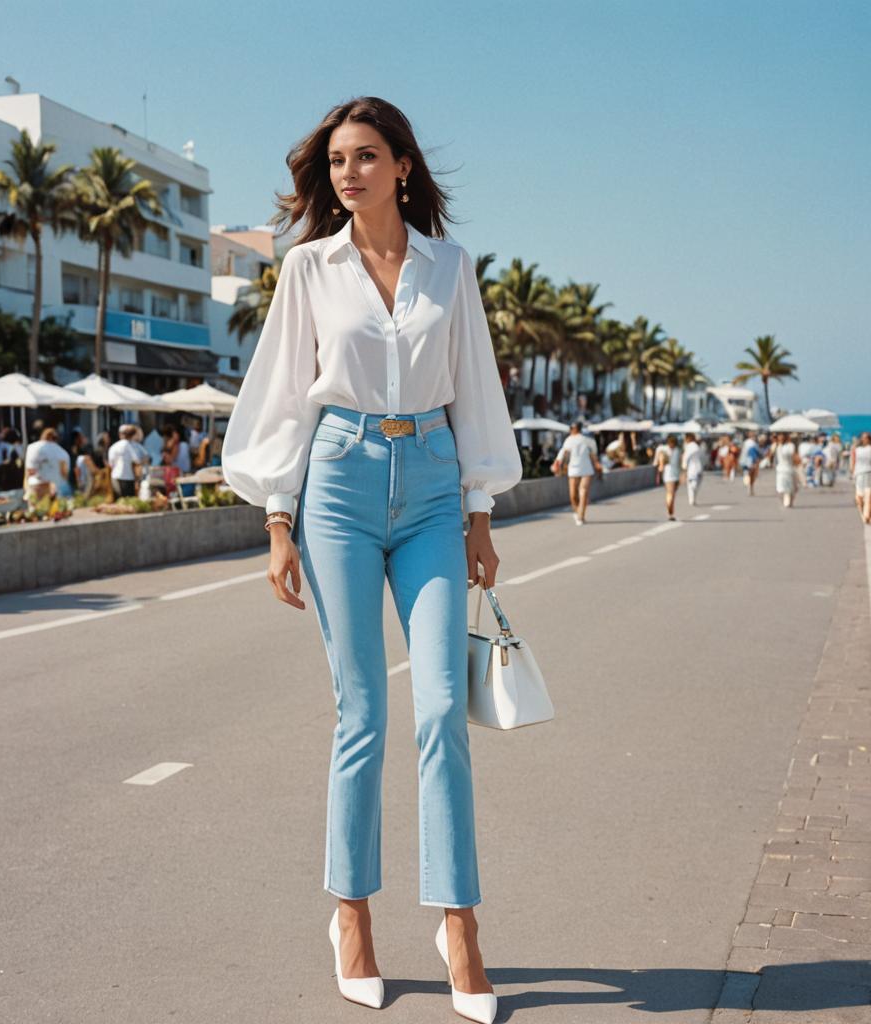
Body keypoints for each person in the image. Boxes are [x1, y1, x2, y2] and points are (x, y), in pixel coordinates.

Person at [220, 96, 520, 1023]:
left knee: (441, 708)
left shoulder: (449, 267)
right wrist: (278, 518)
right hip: (340, 488)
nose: (348, 173)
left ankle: (458, 923)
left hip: (432, 483)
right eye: (337, 161)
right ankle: (350, 915)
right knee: (361, 710)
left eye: (366, 157)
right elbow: (279, 396)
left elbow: (474, 390)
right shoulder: (308, 268)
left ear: (402, 166)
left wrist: (478, 511)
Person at [551, 420, 602, 525]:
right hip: (575, 469)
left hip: (584, 469)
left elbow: (593, 455)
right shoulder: (572, 440)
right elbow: (563, 453)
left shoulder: (585, 441)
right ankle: (578, 512)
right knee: (574, 494)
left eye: (571, 428)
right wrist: (557, 464)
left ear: (575, 429)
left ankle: (580, 516)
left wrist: (557, 465)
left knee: (581, 492)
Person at [25, 427, 72, 501]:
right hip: (57, 491)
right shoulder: (63, 452)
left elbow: (29, 472)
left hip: (37, 490)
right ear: (56, 439)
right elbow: (64, 475)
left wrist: (26, 490)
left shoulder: (32, 447)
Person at [851, 431, 871, 525]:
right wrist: (852, 472)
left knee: (869, 496)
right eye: (863, 437)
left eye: (867, 437)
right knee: (860, 496)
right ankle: (864, 515)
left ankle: (867, 516)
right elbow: (853, 461)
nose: (864, 439)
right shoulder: (856, 449)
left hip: (870, 472)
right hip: (859, 474)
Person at [107, 424, 143, 497]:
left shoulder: (114, 446)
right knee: (128, 501)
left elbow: (110, 463)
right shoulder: (130, 446)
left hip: (115, 476)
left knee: (118, 501)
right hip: (128, 478)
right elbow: (137, 461)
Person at [654, 433, 682, 520]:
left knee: (671, 494)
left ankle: (670, 510)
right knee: (671, 493)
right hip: (669, 474)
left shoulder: (677, 450)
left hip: (675, 474)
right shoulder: (664, 449)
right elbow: (658, 460)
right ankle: (670, 512)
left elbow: (680, 463)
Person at [773, 432, 800, 508]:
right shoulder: (777, 446)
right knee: (780, 488)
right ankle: (786, 500)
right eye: (778, 436)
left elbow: (795, 457)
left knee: (791, 488)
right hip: (780, 470)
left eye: (782, 436)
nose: (780, 437)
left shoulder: (790, 446)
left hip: (789, 469)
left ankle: (790, 501)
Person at [682, 432, 705, 506]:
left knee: (692, 485)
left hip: (693, 468)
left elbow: (686, 457)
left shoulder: (691, 446)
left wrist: (684, 468)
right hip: (698, 468)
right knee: (694, 485)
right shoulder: (696, 446)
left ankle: (692, 500)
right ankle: (692, 499)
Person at [740, 431, 761, 496]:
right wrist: (756, 461)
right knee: (751, 475)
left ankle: (750, 488)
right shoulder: (752, 443)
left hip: (745, 460)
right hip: (750, 461)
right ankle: (750, 488)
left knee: (748, 474)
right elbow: (754, 453)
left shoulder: (746, 442)